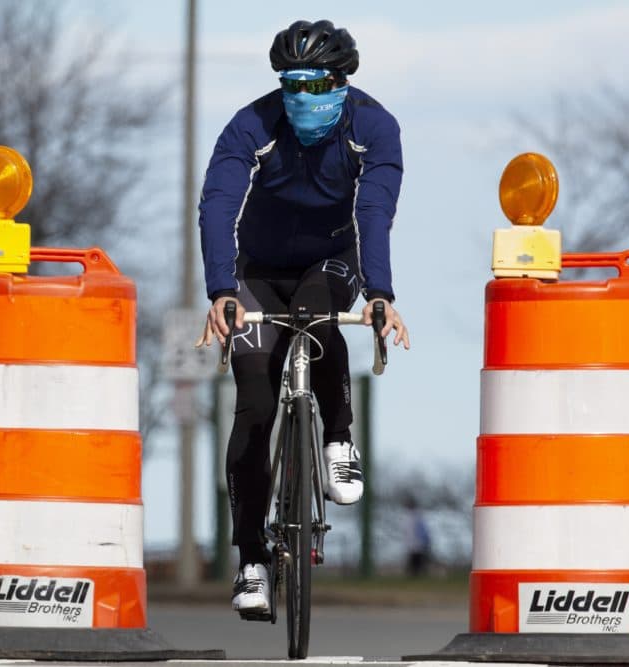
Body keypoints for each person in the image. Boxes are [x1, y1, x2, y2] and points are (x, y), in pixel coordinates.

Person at [195, 19, 410, 616]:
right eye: (291, 85)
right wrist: (219, 289)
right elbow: (217, 204)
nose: (301, 99)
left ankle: (339, 437)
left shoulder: (374, 127)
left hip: (332, 261)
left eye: (316, 86)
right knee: (255, 403)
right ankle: (251, 563)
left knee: (316, 319)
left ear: (342, 83)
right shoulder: (252, 124)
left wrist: (379, 292)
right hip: (258, 270)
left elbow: (374, 211)